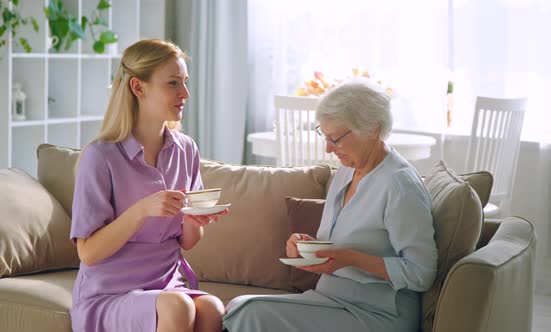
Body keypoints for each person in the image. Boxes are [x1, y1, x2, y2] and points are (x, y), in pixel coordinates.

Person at [223, 81, 438, 331]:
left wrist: (352, 259)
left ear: (372, 130)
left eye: (335, 139)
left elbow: (421, 273)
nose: (328, 149)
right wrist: (306, 247)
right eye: (325, 137)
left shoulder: (400, 185)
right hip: (330, 300)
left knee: (250, 313)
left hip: (378, 313)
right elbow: (341, 244)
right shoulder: (346, 173)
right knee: (241, 306)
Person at [70, 39, 226, 332]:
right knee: (176, 305)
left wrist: (194, 220)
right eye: (173, 83)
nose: (185, 94)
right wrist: (142, 210)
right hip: (109, 293)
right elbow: (88, 253)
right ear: (138, 88)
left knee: (212, 309)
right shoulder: (101, 156)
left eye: (185, 82)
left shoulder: (186, 149)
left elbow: (188, 242)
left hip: (166, 283)